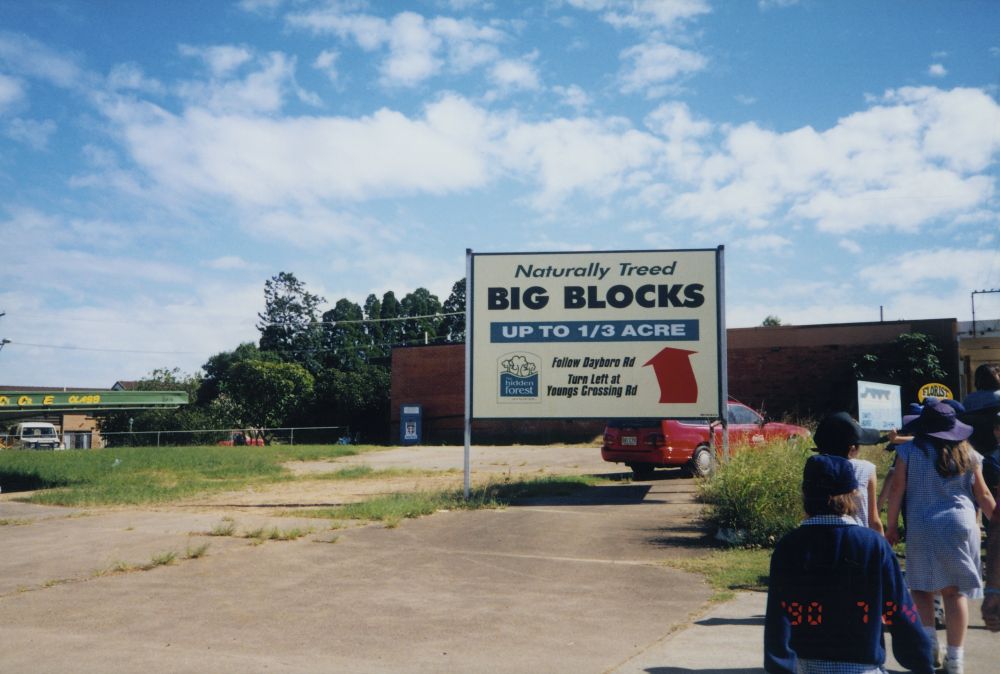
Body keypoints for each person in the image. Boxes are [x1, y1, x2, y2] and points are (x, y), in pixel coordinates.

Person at [765, 454, 933, 674]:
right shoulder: (874, 546)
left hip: (807, 667)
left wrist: (779, 667)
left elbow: (779, 618)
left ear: (805, 494)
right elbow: (899, 611)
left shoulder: (789, 547)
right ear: (854, 495)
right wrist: (922, 662)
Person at [885, 402, 997, 674]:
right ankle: (956, 659)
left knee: (922, 589)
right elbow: (982, 494)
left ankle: (929, 647)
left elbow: (897, 489)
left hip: (923, 524)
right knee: (954, 592)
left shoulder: (908, 451)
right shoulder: (969, 453)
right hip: (960, 525)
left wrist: (891, 527)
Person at [811, 411, 884, 533]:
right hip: (859, 539)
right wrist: (882, 547)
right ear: (853, 448)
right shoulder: (866, 469)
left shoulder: (815, 467)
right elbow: (874, 520)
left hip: (820, 538)